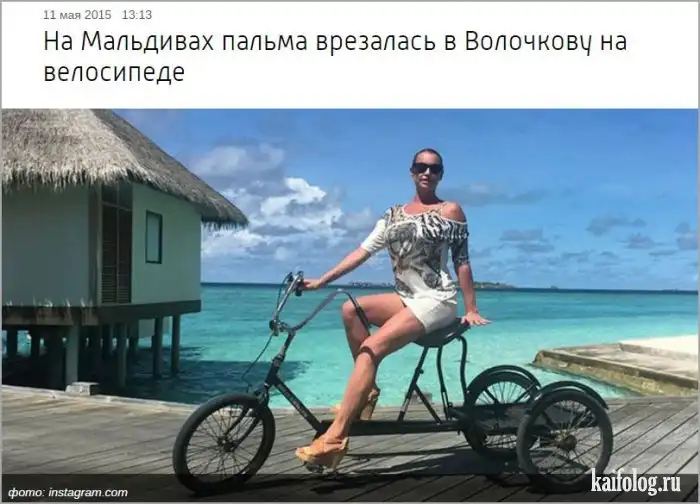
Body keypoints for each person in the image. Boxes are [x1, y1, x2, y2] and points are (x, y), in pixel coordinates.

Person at [294, 148, 490, 470]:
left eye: (434, 168)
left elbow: (462, 261)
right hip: (406, 297)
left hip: (437, 299)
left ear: (441, 175)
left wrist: (471, 308)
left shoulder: (450, 210)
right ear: (411, 172)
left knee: (371, 348)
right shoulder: (393, 214)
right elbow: (362, 252)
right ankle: (368, 391)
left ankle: (335, 438)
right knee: (350, 310)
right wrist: (322, 281)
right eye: (421, 167)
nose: (427, 172)